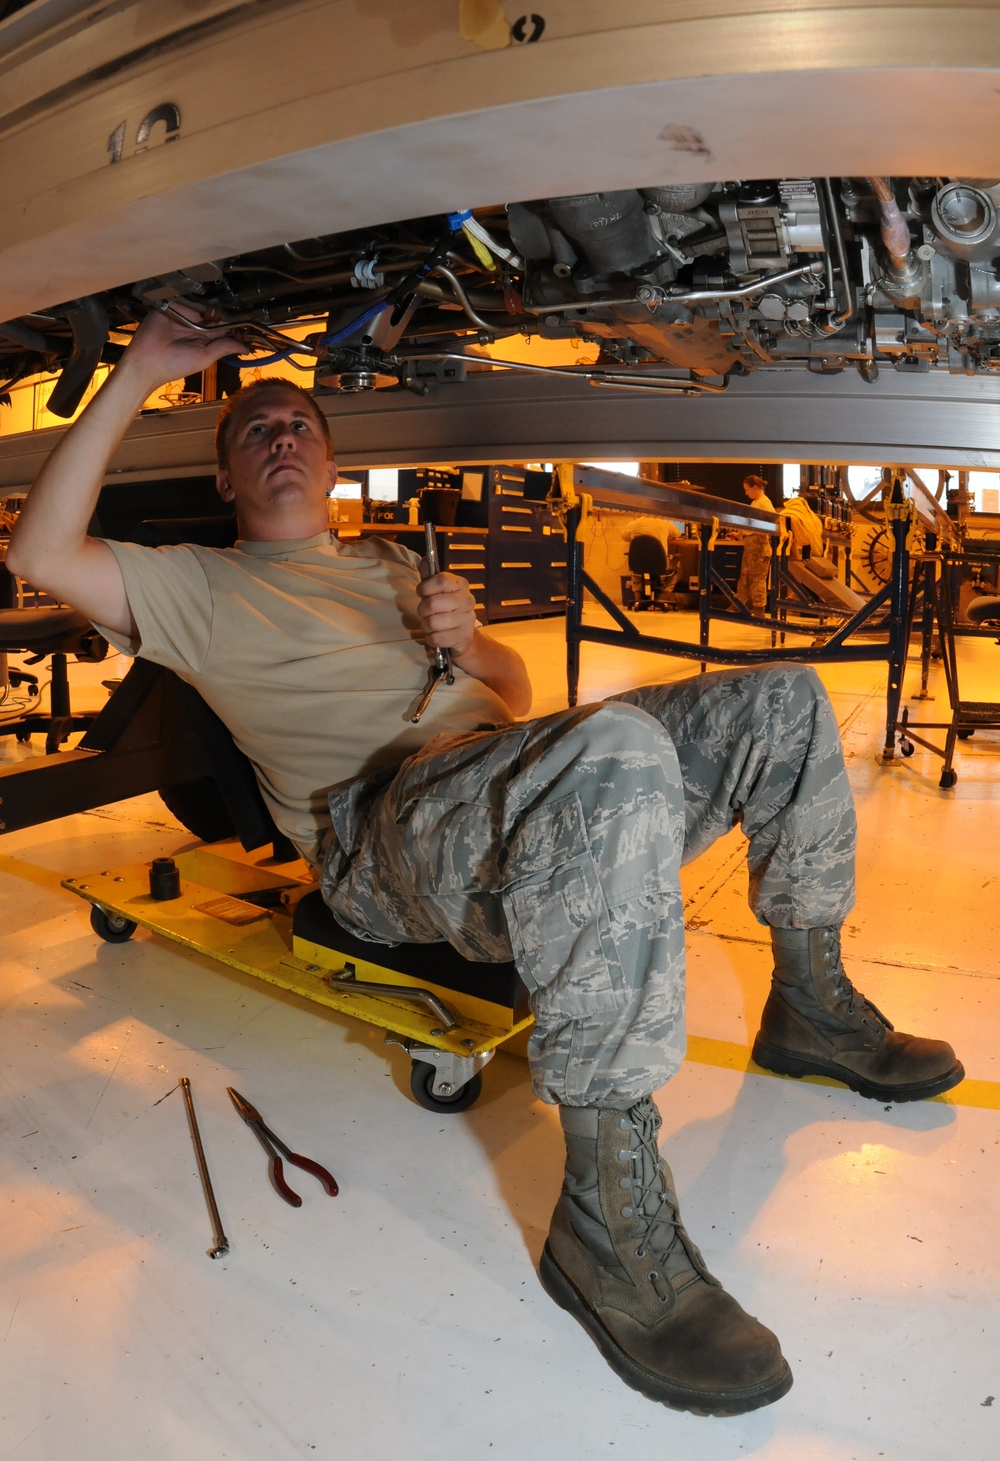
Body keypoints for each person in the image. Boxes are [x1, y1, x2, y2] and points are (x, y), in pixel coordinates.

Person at [7, 311, 965, 1419]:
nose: (282, 436)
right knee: (607, 750)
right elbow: (38, 552)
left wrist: (467, 643)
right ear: (226, 476)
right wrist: (136, 371)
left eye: (302, 424)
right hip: (378, 840)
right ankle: (606, 1225)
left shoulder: (387, 563)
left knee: (784, 703)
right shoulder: (195, 588)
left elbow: (508, 696)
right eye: (257, 428)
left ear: (332, 460)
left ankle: (813, 1005)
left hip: (494, 773)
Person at [736, 472, 775, 614]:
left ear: (755, 487)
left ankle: (759, 608)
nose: (746, 494)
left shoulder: (764, 503)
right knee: (745, 576)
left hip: (759, 547)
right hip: (751, 546)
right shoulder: (756, 503)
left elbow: (772, 522)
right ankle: (739, 603)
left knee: (757, 578)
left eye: (747, 490)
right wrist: (740, 533)